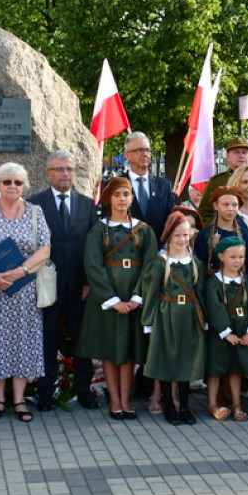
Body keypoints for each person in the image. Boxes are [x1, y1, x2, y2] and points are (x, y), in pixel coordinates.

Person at [0, 163, 51, 423]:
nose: (12, 187)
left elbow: (45, 249)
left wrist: (21, 271)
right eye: (7, 182)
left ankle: (19, 399)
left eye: (18, 182)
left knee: (22, 343)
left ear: (24, 185)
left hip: (25, 291)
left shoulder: (35, 212)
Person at [77, 176, 157, 419]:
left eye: (126, 194)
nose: (122, 199)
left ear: (132, 197)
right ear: (109, 198)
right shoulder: (99, 230)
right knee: (111, 351)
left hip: (134, 298)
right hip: (107, 301)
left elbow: (151, 265)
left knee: (129, 353)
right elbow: (93, 265)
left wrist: (136, 297)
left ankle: (126, 399)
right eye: (117, 194)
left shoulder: (144, 230)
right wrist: (113, 300)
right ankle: (114, 401)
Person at [29, 150, 100, 412]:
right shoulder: (35, 204)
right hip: (47, 285)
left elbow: (93, 246)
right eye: (59, 169)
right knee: (46, 339)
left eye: (69, 169)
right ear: (49, 173)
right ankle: (46, 391)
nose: (65, 174)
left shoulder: (86, 203)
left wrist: (90, 282)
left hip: (79, 287)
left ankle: (84, 390)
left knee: (81, 340)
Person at [141, 211, 205, 426]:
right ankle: (170, 406)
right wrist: (148, 323)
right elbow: (150, 294)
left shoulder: (194, 262)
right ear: (168, 235)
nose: (182, 240)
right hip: (166, 315)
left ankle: (185, 406)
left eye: (186, 235)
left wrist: (202, 318)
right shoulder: (160, 263)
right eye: (177, 235)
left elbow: (200, 292)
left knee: (186, 361)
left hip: (188, 316)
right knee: (168, 361)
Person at [204, 236, 248, 421]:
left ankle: (237, 404)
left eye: (241, 257)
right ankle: (212, 404)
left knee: (236, 367)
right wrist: (226, 332)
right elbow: (214, 308)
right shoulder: (214, 281)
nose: (238, 261)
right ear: (221, 257)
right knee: (216, 367)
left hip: (243, 327)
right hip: (221, 332)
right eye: (233, 257)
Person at [114, 132, 175, 242]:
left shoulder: (164, 186)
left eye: (147, 150)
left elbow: (171, 221)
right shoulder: (114, 186)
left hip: (157, 253)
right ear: (127, 155)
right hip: (126, 253)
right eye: (139, 150)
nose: (145, 154)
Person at [198, 137, 248, 227]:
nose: (241, 156)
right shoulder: (217, 182)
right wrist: (215, 229)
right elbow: (204, 212)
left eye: (244, 152)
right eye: (236, 152)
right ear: (227, 156)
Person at [195, 186, 248, 273]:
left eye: (234, 205)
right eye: (225, 205)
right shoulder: (205, 235)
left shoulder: (245, 235)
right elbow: (200, 267)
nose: (230, 209)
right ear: (215, 206)